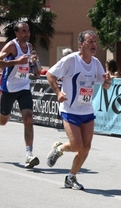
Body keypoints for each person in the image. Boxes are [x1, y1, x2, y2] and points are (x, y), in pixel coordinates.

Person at [45, 30, 113, 190]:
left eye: (95, 42)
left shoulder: (96, 63)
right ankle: (59, 148)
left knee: (86, 147)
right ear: (81, 45)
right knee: (76, 145)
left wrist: (108, 82)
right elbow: (50, 74)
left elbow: (104, 86)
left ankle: (71, 177)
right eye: (90, 42)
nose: (94, 45)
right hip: (70, 109)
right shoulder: (71, 60)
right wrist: (58, 92)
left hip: (87, 111)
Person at [0, 21, 40, 169]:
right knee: (4, 120)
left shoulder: (29, 47)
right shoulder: (11, 45)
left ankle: (29, 155)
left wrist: (34, 68)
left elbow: (28, 65)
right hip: (9, 88)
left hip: (24, 87)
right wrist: (16, 61)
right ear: (16, 33)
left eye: (28, 31)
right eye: (23, 31)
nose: (27, 34)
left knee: (28, 119)